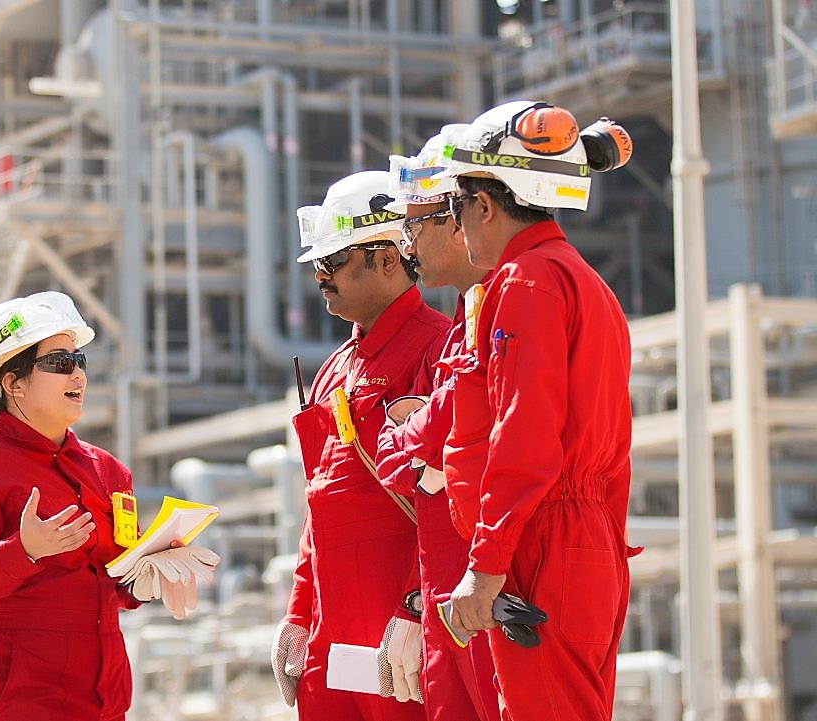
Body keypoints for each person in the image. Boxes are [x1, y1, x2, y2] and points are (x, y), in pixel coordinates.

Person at [432, 101, 635, 721]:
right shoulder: (583, 281)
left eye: (455, 209)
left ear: (486, 205)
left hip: (542, 544)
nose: (456, 229)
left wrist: (486, 567)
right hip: (586, 542)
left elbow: (524, 435)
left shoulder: (525, 282)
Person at [0, 291, 217, 721]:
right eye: (60, 362)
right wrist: (23, 550)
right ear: (12, 382)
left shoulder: (109, 472)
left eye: (80, 361)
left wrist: (145, 576)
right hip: (25, 700)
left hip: (105, 697)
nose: (77, 374)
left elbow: (111, 580)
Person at [271, 170, 450, 721]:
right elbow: (318, 510)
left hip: (401, 628)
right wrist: (300, 616)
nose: (320, 277)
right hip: (333, 637)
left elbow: (449, 504)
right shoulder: (334, 370)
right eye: (318, 265)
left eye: (333, 262)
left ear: (388, 259)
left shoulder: (439, 350)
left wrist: (415, 606)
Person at [374, 131, 500, 721]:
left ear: (461, 218)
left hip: (483, 574)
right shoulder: (465, 321)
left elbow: (428, 442)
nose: (408, 244)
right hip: (450, 575)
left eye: (415, 225)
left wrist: (409, 434)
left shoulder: (514, 300)